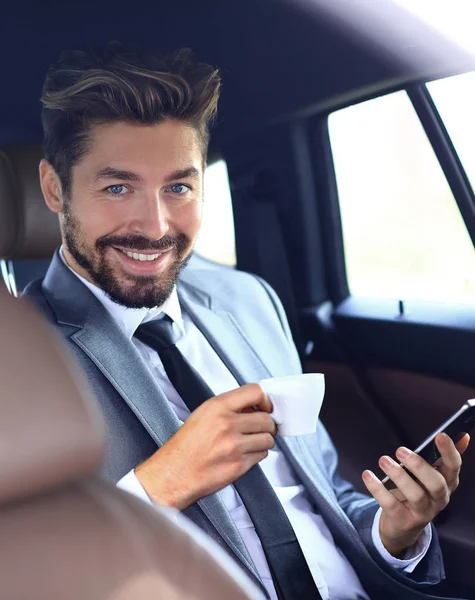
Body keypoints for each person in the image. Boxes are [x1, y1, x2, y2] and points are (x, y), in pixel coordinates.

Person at [24, 42, 470, 600]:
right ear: (53, 189)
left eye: (179, 187)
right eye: (118, 187)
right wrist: (158, 485)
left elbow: (320, 496)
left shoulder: (248, 301)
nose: (156, 224)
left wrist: (393, 532)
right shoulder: (17, 358)